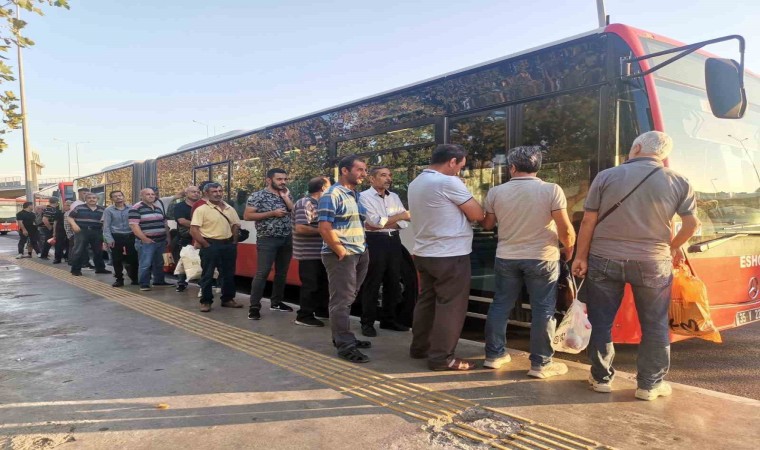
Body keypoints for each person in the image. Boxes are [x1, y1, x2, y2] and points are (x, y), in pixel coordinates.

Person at [572, 131, 700, 401]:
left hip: (604, 258)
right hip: (653, 261)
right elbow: (692, 225)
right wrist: (673, 245)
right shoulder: (679, 180)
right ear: (662, 154)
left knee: (602, 321)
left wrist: (580, 257)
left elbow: (588, 222)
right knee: (654, 324)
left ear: (637, 147)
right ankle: (649, 385)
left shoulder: (606, 176)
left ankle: (601, 378)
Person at [480, 145, 576, 378]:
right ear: (537, 167)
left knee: (500, 305)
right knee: (543, 309)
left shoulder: (496, 192)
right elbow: (565, 229)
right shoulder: (552, 190)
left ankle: (494, 355)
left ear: (512, 167)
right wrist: (569, 249)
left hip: (506, 256)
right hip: (542, 257)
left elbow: (487, 225)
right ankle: (541, 364)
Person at [407, 144, 484, 371]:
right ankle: (442, 358)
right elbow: (477, 214)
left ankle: (420, 347)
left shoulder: (416, 183)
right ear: (452, 161)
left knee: (427, 302)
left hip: (423, 252)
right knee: (451, 306)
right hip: (450, 254)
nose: (459, 171)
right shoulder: (448, 182)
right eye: (460, 166)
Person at [319, 155, 372, 363]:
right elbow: (324, 227)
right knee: (341, 300)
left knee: (349, 297)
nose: (364, 174)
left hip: (359, 251)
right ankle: (345, 346)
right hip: (342, 255)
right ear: (344, 170)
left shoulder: (354, 195)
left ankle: (343, 336)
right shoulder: (332, 195)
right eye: (359, 170)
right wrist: (340, 250)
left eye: (365, 170)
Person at [358, 166, 411, 337]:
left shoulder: (394, 197)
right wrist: (398, 218)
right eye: (383, 175)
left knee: (393, 281)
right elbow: (373, 223)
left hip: (394, 240)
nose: (388, 178)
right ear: (371, 179)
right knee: (372, 282)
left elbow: (405, 221)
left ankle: (388, 319)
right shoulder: (363, 197)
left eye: (389, 175)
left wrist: (388, 222)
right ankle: (367, 323)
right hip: (375, 242)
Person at [244, 168, 295, 320]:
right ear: (269, 180)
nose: (283, 182)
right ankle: (254, 307)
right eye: (279, 179)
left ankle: (277, 302)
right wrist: (271, 213)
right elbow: (247, 216)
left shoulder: (286, 193)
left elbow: (293, 210)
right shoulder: (258, 195)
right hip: (267, 239)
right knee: (262, 273)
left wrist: (286, 197)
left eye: (285, 179)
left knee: (282, 272)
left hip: (286, 238)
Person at [189, 182, 243, 312]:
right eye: (214, 191)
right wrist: (206, 244)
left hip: (228, 245)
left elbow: (236, 225)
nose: (218, 194)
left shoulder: (230, 208)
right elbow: (193, 230)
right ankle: (206, 301)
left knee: (228, 274)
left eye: (219, 191)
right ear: (206, 193)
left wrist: (234, 242)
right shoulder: (201, 209)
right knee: (207, 275)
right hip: (210, 244)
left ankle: (228, 299)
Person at [292, 176, 331, 327]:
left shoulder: (320, 203)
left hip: (321, 252)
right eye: (330, 187)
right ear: (323, 188)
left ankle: (321, 310)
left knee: (322, 283)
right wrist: (324, 231)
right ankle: (304, 315)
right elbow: (301, 228)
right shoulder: (305, 203)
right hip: (308, 253)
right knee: (311, 285)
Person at [129, 188, 172, 291]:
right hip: (146, 242)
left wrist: (168, 237)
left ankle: (159, 281)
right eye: (148, 194)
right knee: (145, 263)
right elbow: (134, 226)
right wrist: (144, 239)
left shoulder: (157, 208)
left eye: (152, 194)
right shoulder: (136, 208)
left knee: (159, 263)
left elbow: (164, 224)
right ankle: (144, 284)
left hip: (161, 241)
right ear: (141, 196)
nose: (151, 196)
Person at [67, 193, 111, 276]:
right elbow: (69, 217)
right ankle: (75, 270)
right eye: (89, 198)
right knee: (78, 250)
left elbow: (105, 221)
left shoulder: (102, 209)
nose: (92, 199)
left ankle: (100, 268)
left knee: (98, 251)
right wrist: (74, 225)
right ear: (85, 199)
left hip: (97, 231)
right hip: (82, 231)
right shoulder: (79, 208)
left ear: (97, 199)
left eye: (94, 198)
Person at [103, 190, 138, 287]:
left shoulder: (132, 208)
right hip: (116, 236)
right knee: (117, 259)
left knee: (133, 258)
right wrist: (109, 239)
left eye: (120, 195)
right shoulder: (109, 210)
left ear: (123, 196)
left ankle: (134, 277)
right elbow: (106, 226)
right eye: (115, 196)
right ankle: (119, 278)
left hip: (131, 235)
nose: (118, 197)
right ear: (112, 199)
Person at [172, 185, 201, 292]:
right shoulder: (180, 206)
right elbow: (182, 221)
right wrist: (198, 225)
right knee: (183, 260)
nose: (196, 193)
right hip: (185, 238)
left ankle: (202, 281)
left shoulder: (202, 205)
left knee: (200, 259)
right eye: (193, 192)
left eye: (198, 192)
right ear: (186, 193)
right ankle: (181, 282)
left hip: (201, 237)